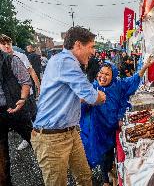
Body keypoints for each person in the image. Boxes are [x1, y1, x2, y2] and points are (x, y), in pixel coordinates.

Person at [31, 26, 107, 186]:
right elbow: (92, 96)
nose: (93, 52)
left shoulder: (61, 60)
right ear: (78, 45)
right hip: (51, 137)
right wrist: (100, 95)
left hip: (70, 132)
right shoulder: (66, 61)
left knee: (85, 177)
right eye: (91, 46)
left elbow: (75, 97)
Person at [80, 57, 153, 186]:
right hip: (97, 128)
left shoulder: (118, 85)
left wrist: (145, 67)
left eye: (107, 74)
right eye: (101, 73)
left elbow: (133, 80)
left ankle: (107, 175)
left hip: (112, 127)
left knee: (109, 154)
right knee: (95, 152)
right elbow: (80, 104)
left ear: (113, 76)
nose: (102, 76)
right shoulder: (92, 88)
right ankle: (98, 178)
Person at [0, 34, 39, 150]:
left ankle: (39, 141)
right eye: (3, 44)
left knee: (32, 119)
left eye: (9, 43)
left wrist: (38, 86)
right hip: (7, 104)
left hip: (25, 97)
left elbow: (30, 73)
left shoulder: (19, 56)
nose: (7, 46)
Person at [0, 49, 33, 186]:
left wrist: (23, 98)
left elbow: (25, 81)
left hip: (16, 108)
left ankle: (52, 173)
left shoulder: (10, 59)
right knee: (1, 157)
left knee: (37, 143)